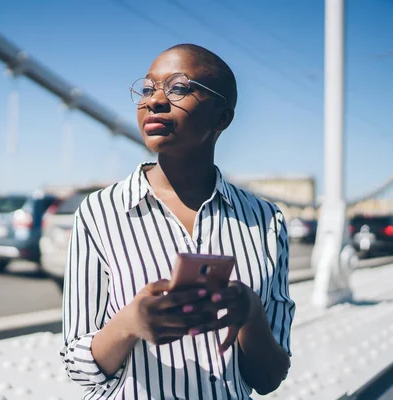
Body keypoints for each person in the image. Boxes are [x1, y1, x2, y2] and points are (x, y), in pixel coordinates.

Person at [60, 43, 295, 400]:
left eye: (179, 88)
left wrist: (250, 314)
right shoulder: (99, 212)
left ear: (222, 118)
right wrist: (129, 323)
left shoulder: (266, 221)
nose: (154, 100)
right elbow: (79, 369)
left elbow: (269, 378)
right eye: (148, 88)